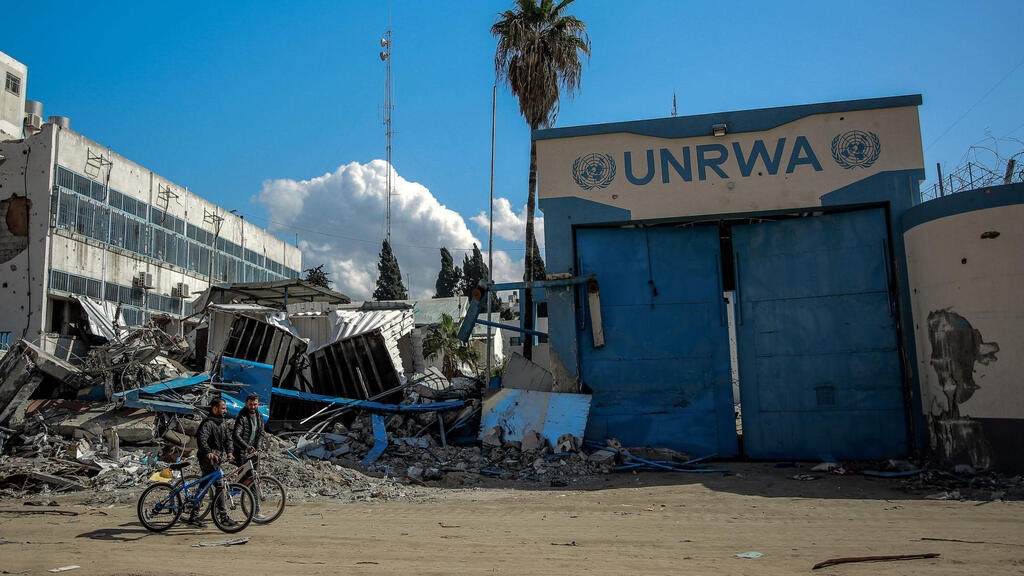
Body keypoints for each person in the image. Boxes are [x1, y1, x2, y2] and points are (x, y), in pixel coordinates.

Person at [188, 396, 236, 528]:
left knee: (205, 485)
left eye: (225, 408)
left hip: (217, 458)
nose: (225, 411)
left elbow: (228, 440)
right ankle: (223, 517)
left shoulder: (222, 423)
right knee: (219, 486)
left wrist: (230, 452)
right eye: (223, 408)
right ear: (215, 409)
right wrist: (208, 452)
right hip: (207, 459)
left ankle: (194, 515)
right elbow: (201, 438)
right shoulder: (208, 423)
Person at [232, 393, 264, 482]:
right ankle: (235, 492)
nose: (253, 407)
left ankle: (253, 495)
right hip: (242, 451)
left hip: (254, 452)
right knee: (243, 478)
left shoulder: (260, 416)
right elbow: (236, 435)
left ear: (258, 404)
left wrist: (258, 447)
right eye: (250, 404)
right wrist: (246, 447)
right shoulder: (242, 417)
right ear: (246, 404)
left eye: (255, 404)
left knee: (254, 476)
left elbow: (261, 433)